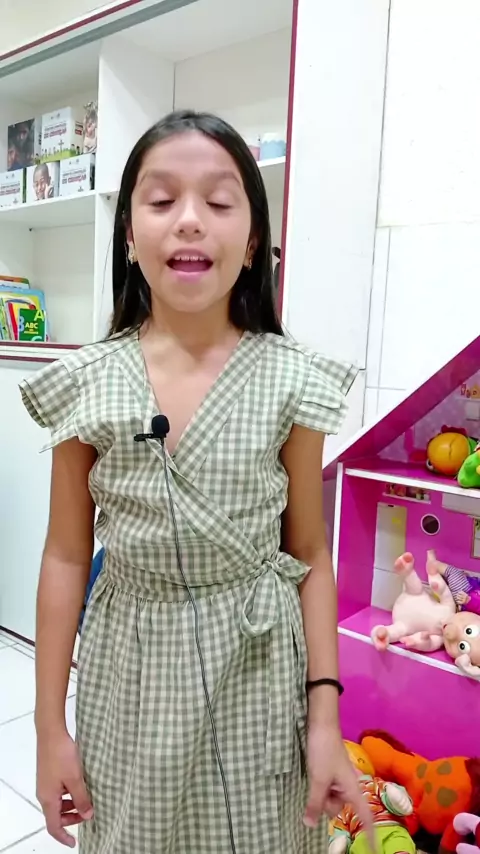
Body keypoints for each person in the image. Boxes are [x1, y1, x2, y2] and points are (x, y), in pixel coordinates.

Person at [20, 110, 370, 853]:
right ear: (128, 234)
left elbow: (309, 552)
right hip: (131, 675)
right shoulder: (85, 382)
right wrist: (50, 728)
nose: (188, 220)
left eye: (217, 201)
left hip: (260, 674)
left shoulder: (291, 379)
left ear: (253, 240)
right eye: (160, 200)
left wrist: (325, 718)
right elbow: (65, 556)